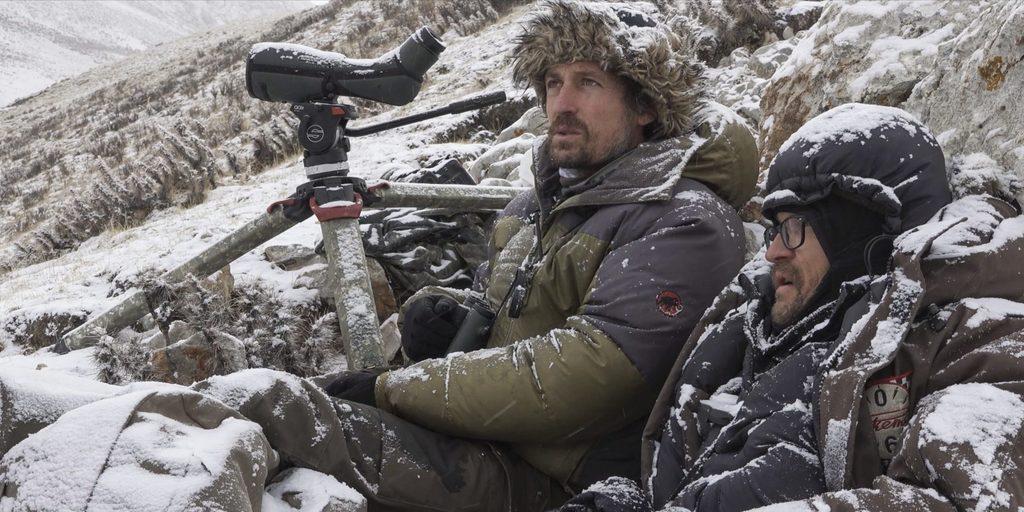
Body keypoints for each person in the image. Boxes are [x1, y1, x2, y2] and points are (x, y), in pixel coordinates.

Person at [0, 2, 758, 511]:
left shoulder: (685, 223)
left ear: (648, 105)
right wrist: (459, 319)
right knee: (262, 413)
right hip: (480, 436)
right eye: (551, 81)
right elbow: (522, 316)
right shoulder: (550, 197)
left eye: (587, 83)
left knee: (269, 402)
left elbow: (579, 382)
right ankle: (50, 450)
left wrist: (397, 385)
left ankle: (51, 453)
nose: (559, 102)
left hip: (538, 477)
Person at [558, 103, 1024, 512]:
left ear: (862, 232)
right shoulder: (749, 326)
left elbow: (968, 498)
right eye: (774, 228)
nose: (772, 252)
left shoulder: (976, 334)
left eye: (795, 226)